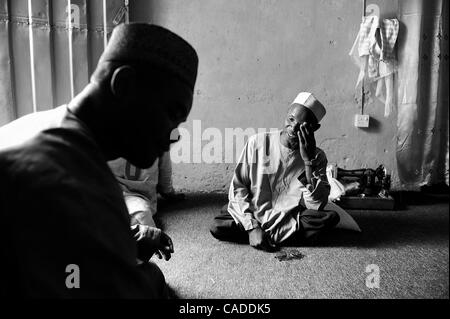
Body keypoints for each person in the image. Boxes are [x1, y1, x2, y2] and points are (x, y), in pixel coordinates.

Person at [0, 23, 198, 298]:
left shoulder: (39, 127)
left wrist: (128, 238)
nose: (174, 136)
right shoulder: (73, 182)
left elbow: (60, 242)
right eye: (172, 113)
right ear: (125, 84)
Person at [210, 92, 340, 251]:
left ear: (314, 128)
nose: (293, 128)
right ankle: (264, 234)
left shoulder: (317, 156)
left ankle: (263, 236)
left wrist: (308, 161)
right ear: (286, 115)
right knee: (218, 224)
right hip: (256, 209)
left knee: (329, 218)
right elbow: (238, 187)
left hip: (290, 216)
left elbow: (316, 205)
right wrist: (252, 227)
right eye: (291, 119)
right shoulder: (257, 142)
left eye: (303, 125)